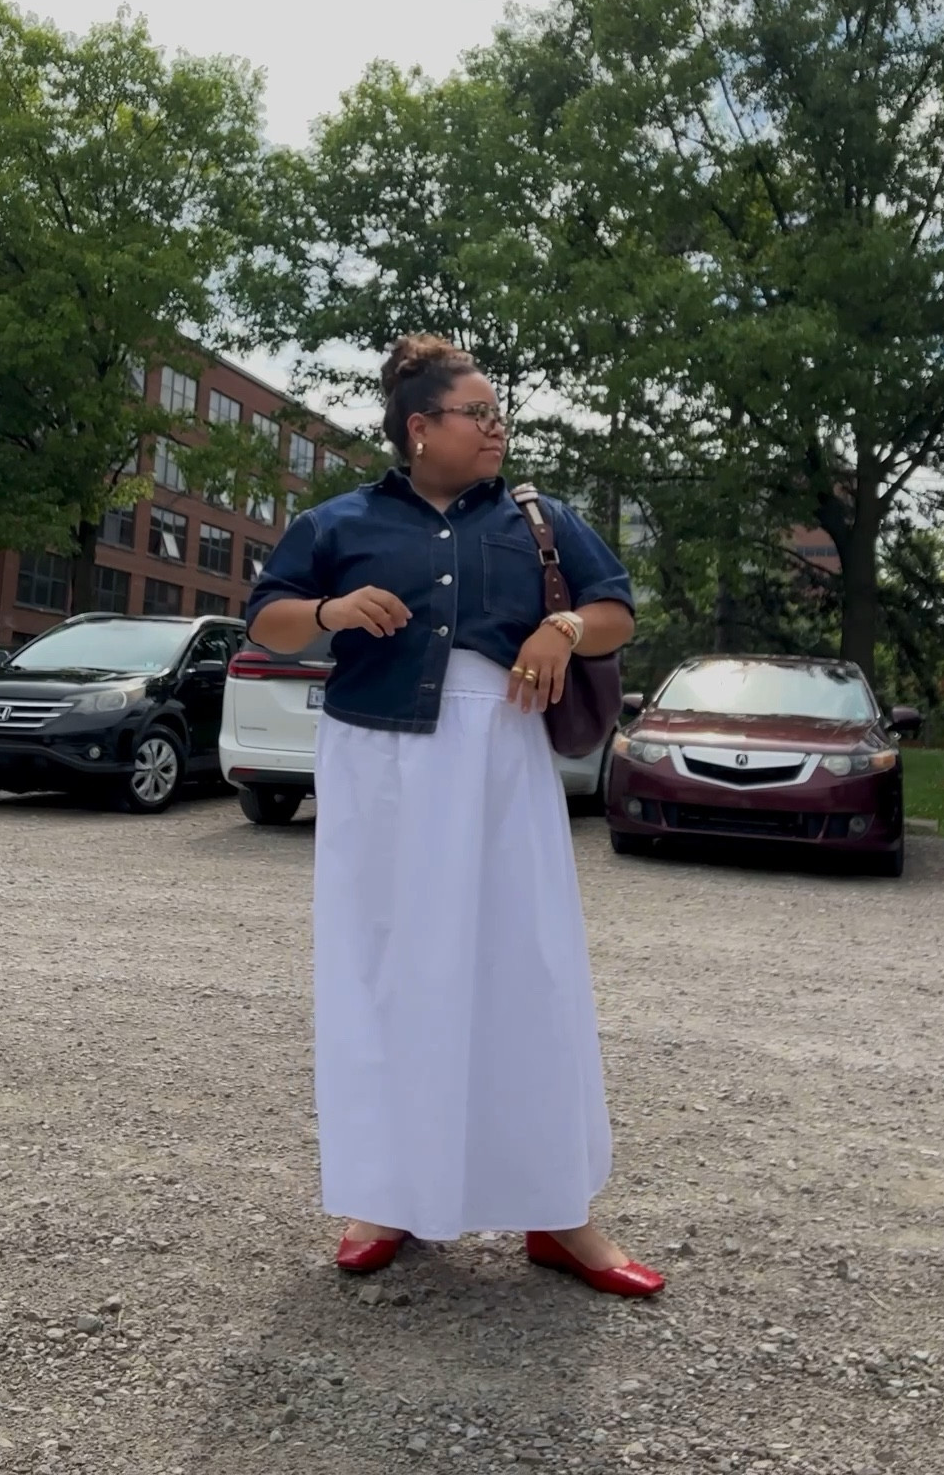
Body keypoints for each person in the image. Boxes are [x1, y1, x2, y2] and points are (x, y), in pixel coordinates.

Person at [247, 333, 665, 1298]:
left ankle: (559, 1215)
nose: (496, 426)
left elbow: (615, 610)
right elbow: (268, 612)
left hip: (501, 757)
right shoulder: (340, 519)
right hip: (377, 761)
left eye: (497, 412)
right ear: (419, 426)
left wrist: (560, 627)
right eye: (477, 413)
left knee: (529, 972)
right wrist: (332, 612)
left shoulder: (539, 518)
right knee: (385, 976)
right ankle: (386, 1195)